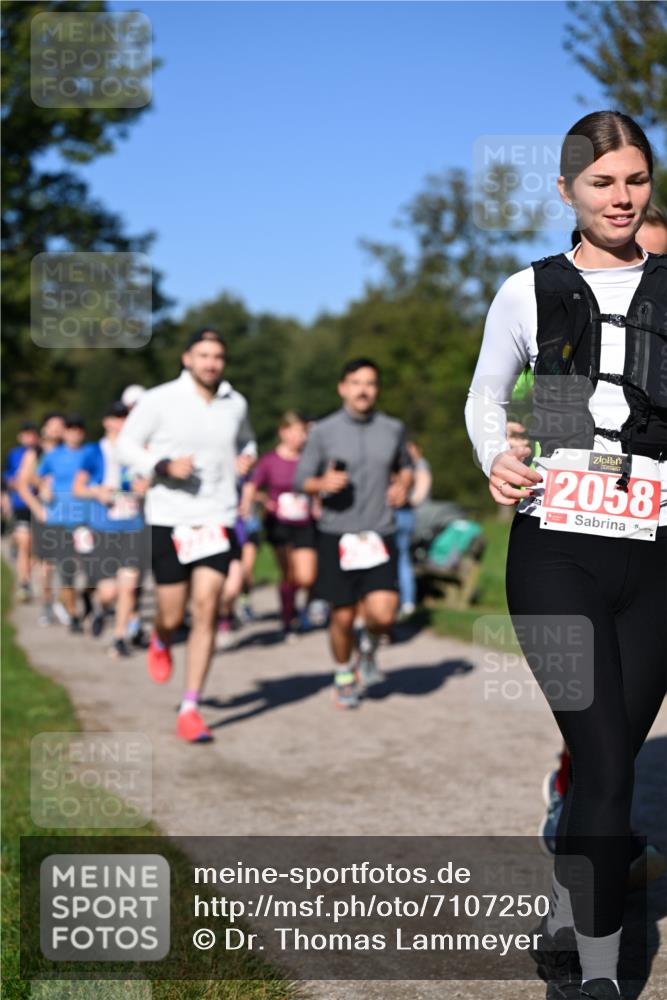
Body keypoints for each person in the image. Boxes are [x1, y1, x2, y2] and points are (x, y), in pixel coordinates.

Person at [465, 111, 666, 1000]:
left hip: (656, 550)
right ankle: (591, 976)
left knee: (606, 758)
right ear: (564, 191)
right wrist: (497, 457)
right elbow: (483, 399)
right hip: (555, 545)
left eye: (633, 180)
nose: (619, 199)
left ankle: (562, 898)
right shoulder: (528, 290)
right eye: (600, 184)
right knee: (610, 762)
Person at [117, 328, 256, 742]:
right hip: (169, 518)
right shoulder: (158, 400)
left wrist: (246, 459)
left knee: (207, 607)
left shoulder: (235, 403)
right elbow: (126, 445)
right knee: (173, 614)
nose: (211, 362)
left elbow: (247, 441)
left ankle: (191, 706)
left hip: (217, 517)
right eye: (203, 355)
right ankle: (161, 638)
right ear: (187, 359)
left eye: (218, 356)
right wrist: (161, 466)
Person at [294, 358, 413, 709]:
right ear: (342, 387)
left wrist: (403, 486)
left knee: (383, 615)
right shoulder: (323, 431)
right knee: (343, 617)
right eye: (356, 382)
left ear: (376, 389)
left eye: (370, 383)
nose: (363, 390)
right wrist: (321, 483)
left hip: (380, 532)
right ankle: (344, 674)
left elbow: (406, 466)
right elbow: (301, 480)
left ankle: (369, 652)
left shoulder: (392, 429)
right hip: (337, 534)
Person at [73, 402, 149, 658]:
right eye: (117, 417)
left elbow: (150, 479)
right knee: (109, 591)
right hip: (103, 527)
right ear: (106, 421)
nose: (121, 422)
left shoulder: (140, 450)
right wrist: (98, 491)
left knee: (128, 586)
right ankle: (99, 608)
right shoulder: (95, 451)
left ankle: (119, 637)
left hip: (133, 526)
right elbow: (78, 488)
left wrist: (145, 488)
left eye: (125, 417)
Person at [241, 412, 317, 639]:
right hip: (279, 524)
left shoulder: (310, 459)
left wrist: (319, 504)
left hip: (305, 522)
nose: (298, 437)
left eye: (302, 432)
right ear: (282, 433)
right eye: (293, 432)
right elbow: (252, 486)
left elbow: (319, 483)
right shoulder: (270, 461)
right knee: (288, 573)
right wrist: (251, 504)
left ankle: (301, 607)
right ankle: (288, 617)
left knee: (307, 576)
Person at [27, 414, 92, 633]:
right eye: (70, 429)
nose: (74, 433)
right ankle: (74, 614)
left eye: (78, 429)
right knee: (67, 571)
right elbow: (33, 477)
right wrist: (43, 488)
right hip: (59, 521)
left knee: (93, 568)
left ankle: (88, 599)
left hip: (86, 520)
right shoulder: (53, 456)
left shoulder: (90, 454)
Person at [15, 413, 66, 624]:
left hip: (68, 512)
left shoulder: (70, 452)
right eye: (52, 426)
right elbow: (21, 484)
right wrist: (38, 509)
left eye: (60, 426)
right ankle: (47, 603)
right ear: (44, 428)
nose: (56, 430)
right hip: (45, 513)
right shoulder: (35, 453)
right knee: (47, 564)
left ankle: (64, 602)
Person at [394, 439, 432, 618]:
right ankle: (405, 601)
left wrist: (404, 500)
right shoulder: (406, 465)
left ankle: (405, 600)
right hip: (405, 515)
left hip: (404, 514)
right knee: (402, 559)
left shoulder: (419, 466)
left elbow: (419, 494)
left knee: (400, 559)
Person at [4, 421, 41, 601]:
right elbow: (7, 476)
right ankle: (24, 583)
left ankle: (26, 573)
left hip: (40, 503)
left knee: (35, 546)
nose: (29, 437)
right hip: (21, 504)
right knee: (25, 542)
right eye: (26, 434)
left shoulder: (42, 452)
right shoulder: (14, 453)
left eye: (32, 434)